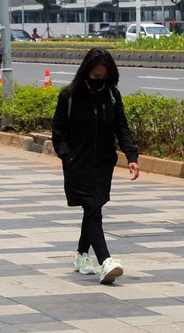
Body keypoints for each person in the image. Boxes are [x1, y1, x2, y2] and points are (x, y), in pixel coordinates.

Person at [51, 48, 140, 284]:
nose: (99, 82)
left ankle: (81, 256)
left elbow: (121, 127)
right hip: (77, 165)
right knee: (92, 207)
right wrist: (67, 158)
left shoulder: (112, 95)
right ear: (86, 72)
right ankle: (106, 261)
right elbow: (58, 133)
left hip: (102, 164)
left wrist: (131, 156)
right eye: (95, 77)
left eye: (104, 78)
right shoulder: (69, 96)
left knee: (94, 208)